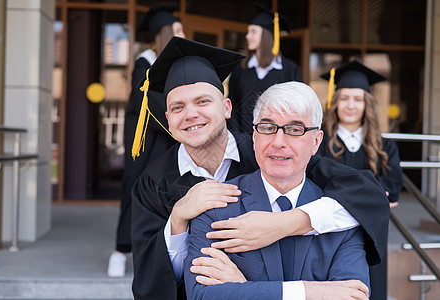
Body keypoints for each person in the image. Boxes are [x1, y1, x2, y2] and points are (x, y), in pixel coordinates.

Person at [131, 37, 388, 300]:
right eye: (177, 107)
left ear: (227, 107)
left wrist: (286, 223)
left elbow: (363, 194)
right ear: (168, 121)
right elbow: (153, 283)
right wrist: (178, 219)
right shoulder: (154, 183)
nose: (191, 114)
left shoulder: (268, 154)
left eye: (203, 101)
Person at [185, 81, 370, 300]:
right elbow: (202, 296)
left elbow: (354, 297)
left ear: (316, 142)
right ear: (254, 136)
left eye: (294, 129)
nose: (278, 142)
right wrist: (310, 292)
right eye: (267, 127)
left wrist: (243, 287)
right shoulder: (217, 207)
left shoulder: (342, 219)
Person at [107, 5, 185, 277]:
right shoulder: (146, 63)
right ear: (166, 34)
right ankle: (120, 251)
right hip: (145, 141)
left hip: (168, 142)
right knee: (135, 191)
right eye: (178, 30)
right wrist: (179, 123)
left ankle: (160, 253)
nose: (183, 33)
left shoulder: (176, 65)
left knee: (167, 196)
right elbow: (148, 103)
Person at [317, 60, 404, 300]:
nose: (350, 105)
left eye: (358, 99)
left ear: (367, 104)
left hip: (371, 234)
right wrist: (370, 196)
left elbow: (393, 185)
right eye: (344, 98)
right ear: (335, 102)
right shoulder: (321, 143)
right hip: (330, 231)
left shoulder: (384, 147)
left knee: (371, 290)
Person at [228, 4, 302, 134]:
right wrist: (236, 134)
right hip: (243, 139)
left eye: (253, 31)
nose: (247, 36)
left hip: (277, 137)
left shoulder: (289, 70)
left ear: (267, 35)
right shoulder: (241, 69)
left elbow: (296, 106)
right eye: (248, 31)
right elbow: (233, 102)